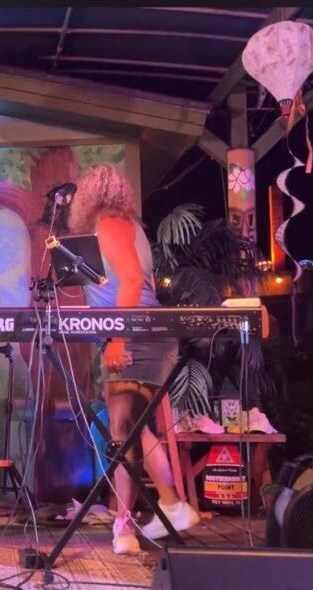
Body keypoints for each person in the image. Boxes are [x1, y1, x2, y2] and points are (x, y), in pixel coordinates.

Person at [68, 163, 200, 555]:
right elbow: (134, 282)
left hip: (134, 335)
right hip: (149, 334)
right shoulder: (129, 227)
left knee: (122, 428)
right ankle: (171, 506)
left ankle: (125, 525)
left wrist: (118, 336)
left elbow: (132, 280)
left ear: (88, 195)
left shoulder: (109, 224)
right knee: (135, 429)